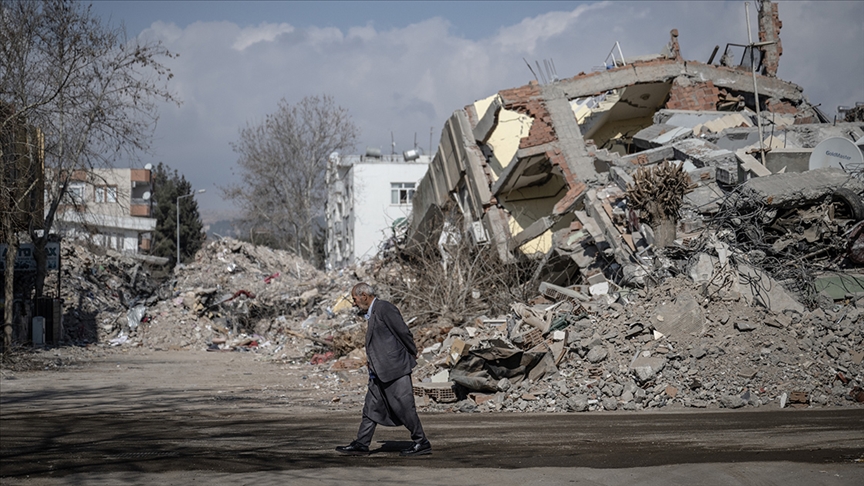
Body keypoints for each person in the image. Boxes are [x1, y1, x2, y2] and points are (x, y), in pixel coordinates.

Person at [335, 282, 431, 457]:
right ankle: (362, 443)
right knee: (370, 408)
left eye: (355, 299)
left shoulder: (385, 308)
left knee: (404, 406)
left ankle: (421, 441)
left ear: (364, 295)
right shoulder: (373, 312)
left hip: (395, 369)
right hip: (379, 371)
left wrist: (411, 353)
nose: (354, 303)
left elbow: (403, 332)